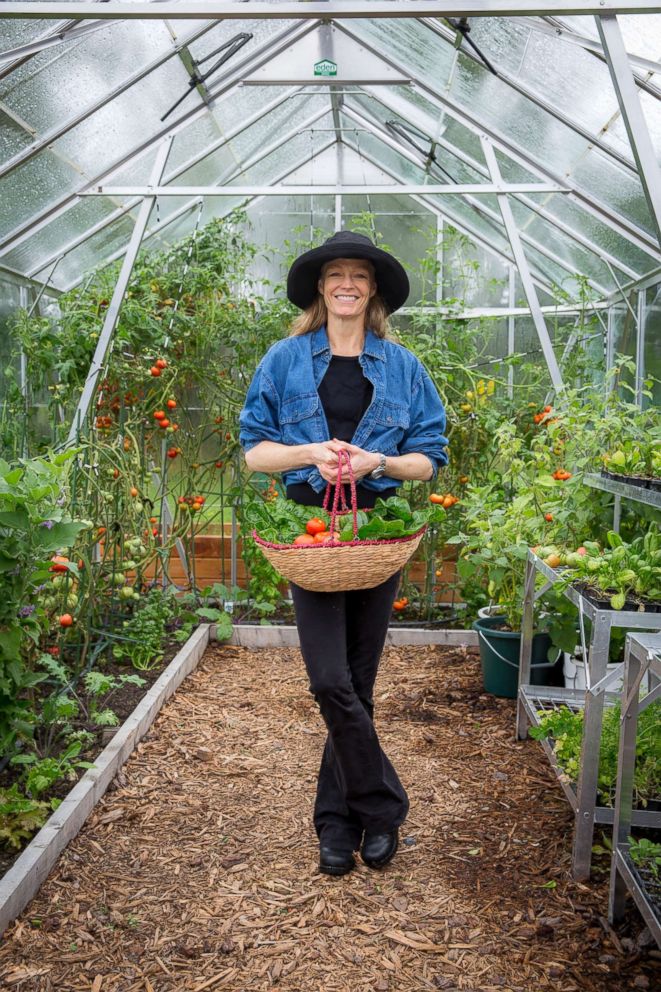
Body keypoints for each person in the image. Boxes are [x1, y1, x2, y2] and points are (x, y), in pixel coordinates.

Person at [239, 230, 448, 877]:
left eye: (359, 274)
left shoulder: (402, 367)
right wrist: (313, 452)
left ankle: (336, 824)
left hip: (374, 531)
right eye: (337, 274)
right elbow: (254, 452)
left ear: (373, 289)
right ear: (321, 288)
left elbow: (427, 460)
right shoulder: (283, 360)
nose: (348, 284)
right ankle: (381, 806)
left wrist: (375, 458)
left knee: (357, 683)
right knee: (329, 680)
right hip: (310, 533)